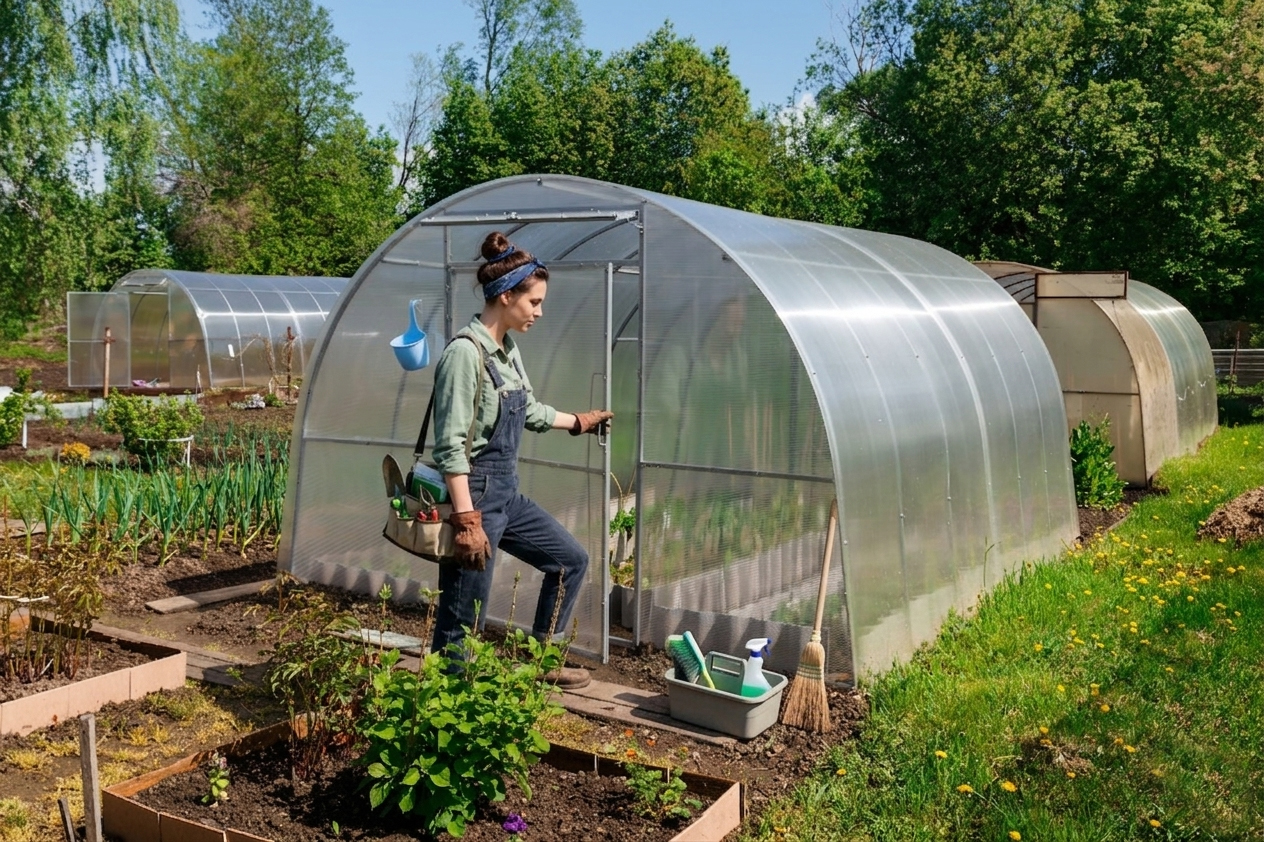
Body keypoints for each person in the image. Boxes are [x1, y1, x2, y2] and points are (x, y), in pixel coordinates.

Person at [430, 231, 612, 689]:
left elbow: (527, 409)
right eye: (534, 301)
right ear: (506, 295)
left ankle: (542, 659)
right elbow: (451, 446)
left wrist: (577, 421)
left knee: (570, 561)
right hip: (473, 496)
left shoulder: (507, 351)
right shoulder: (463, 355)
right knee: (463, 614)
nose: (540, 311)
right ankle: (444, 706)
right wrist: (466, 518)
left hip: (505, 495)